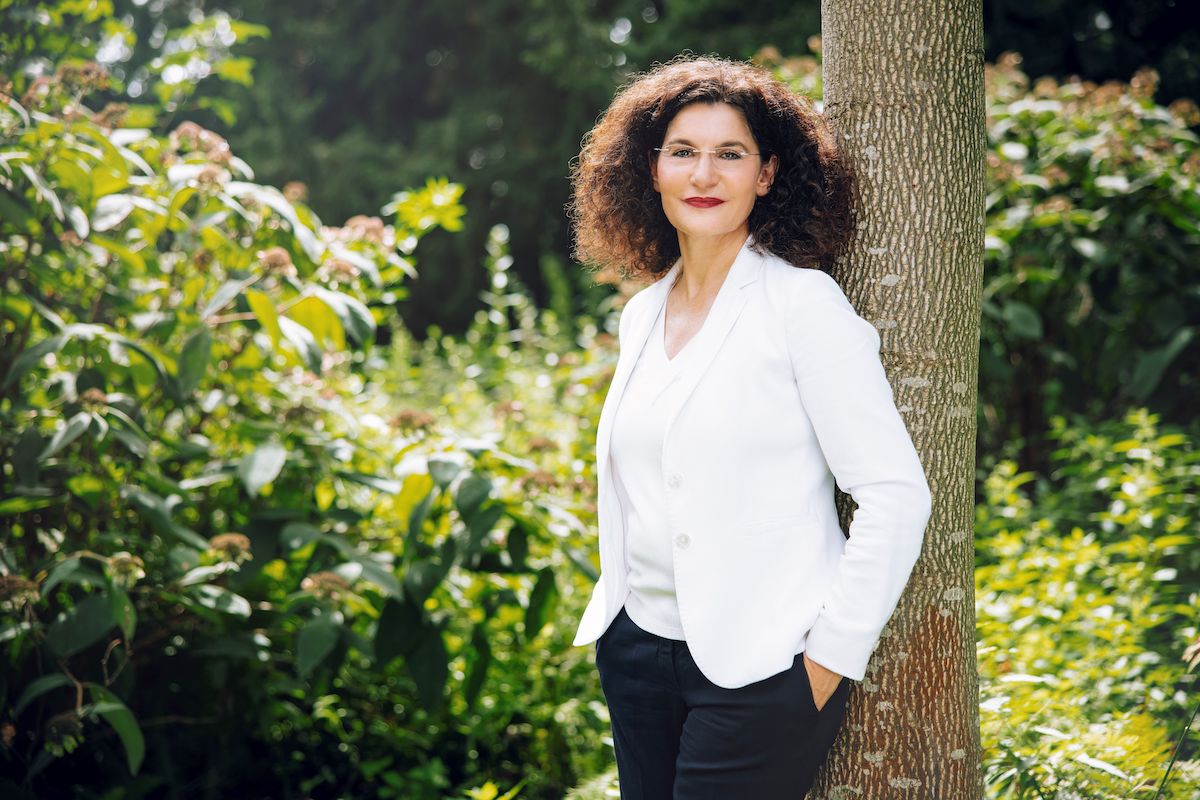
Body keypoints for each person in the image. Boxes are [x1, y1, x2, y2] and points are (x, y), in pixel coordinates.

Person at [565, 55, 933, 798]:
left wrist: (826, 662)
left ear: (765, 175)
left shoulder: (803, 307)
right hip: (636, 653)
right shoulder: (642, 314)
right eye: (683, 152)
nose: (704, 175)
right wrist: (619, 628)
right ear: (652, 169)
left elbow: (896, 495)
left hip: (761, 674)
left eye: (730, 154)